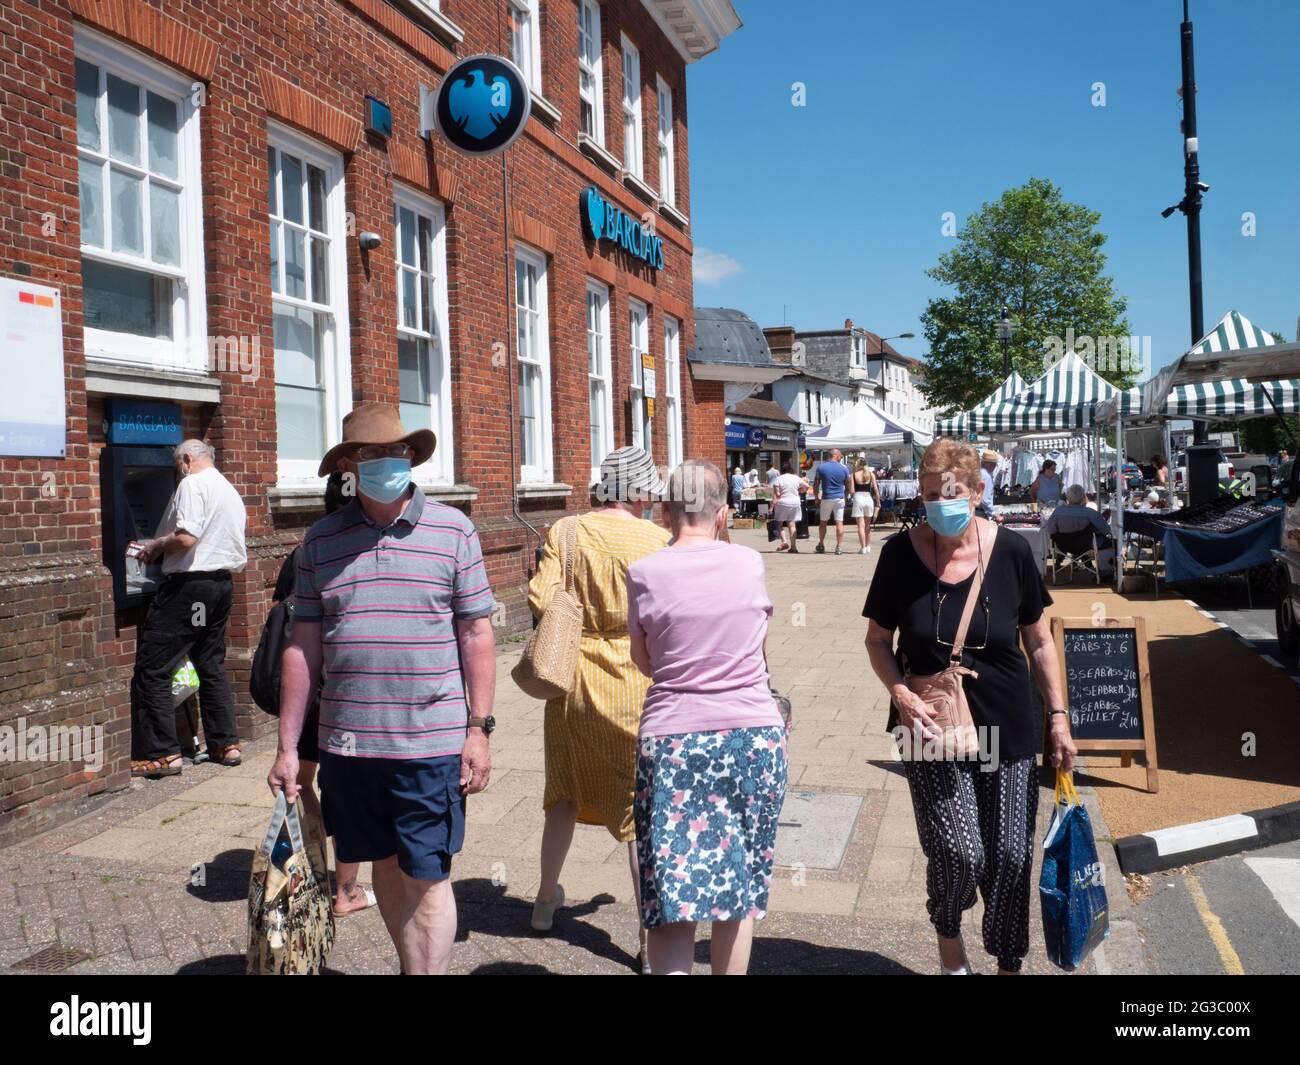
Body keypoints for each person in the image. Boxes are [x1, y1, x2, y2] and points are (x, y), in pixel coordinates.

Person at [268, 403, 498, 976]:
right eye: (371, 454)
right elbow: (301, 649)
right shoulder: (319, 542)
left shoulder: (454, 530)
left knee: (428, 876)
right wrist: (288, 747)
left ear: (412, 456)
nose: (388, 462)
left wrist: (479, 729)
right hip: (349, 746)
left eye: (397, 452)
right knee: (385, 869)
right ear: (348, 464)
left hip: (432, 743)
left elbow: (476, 633)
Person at [862, 438, 1077, 975]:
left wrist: (1058, 717)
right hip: (928, 722)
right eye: (930, 494)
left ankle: (1008, 964)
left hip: (1007, 720)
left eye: (950, 493)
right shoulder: (898, 555)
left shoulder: (1011, 552)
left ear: (979, 492)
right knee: (960, 852)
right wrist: (899, 691)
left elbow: (1040, 640)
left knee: (1008, 857)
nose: (939, 504)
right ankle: (949, 938)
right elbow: (876, 642)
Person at [627, 459, 787, 975]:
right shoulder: (748, 563)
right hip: (753, 735)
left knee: (671, 897)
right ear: (722, 514)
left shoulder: (644, 572)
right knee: (737, 890)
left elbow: (643, 659)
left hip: (674, 738)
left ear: (666, 512)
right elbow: (758, 642)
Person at [527, 447, 671, 973]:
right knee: (638, 810)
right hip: (635, 677)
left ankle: (544, 902)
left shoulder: (565, 531)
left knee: (563, 791)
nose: (655, 498)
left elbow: (543, 599)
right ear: (636, 492)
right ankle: (646, 935)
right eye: (650, 489)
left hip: (571, 678)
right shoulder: (660, 542)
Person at [266, 471, 373, 918]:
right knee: (346, 794)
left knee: (302, 783)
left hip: (306, 691)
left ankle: (308, 873)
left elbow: (282, 616)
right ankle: (344, 891)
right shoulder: (368, 549)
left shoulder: (305, 550)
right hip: (344, 693)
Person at [129, 440, 248, 779]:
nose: (176, 470)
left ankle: (163, 755)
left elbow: (186, 538)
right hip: (220, 588)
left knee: (154, 667)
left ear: (186, 459)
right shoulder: (229, 490)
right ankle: (226, 744)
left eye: (176, 464)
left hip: (191, 591)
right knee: (209, 661)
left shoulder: (193, 484)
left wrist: (156, 545)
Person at [813, 447, 851, 555]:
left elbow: (816, 485)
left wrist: (816, 497)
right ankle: (839, 547)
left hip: (826, 498)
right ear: (835, 455)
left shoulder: (821, 467)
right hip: (839, 498)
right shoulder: (844, 469)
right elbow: (848, 485)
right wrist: (845, 496)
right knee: (839, 522)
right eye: (840, 456)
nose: (841, 458)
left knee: (823, 523)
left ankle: (821, 544)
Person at [773, 461, 808, 552]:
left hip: (783, 502)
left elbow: (777, 494)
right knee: (792, 525)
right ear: (790, 469)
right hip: (795, 502)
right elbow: (807, 486)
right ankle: (793, 547)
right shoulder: (796, 478)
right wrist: (801, 491)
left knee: (779, 524)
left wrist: (772, 505)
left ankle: (784, 542)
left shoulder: (778, 479)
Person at [851, 457, 881, 554]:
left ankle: (863, 547)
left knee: (860, 526)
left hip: (858, 497)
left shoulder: (854, 475)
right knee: (868, 526)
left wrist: (853, 496)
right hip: (868, 498)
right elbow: (876, 489)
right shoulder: (871, 474)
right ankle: (868, 546)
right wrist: (878, 501)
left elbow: (852, 491)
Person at [977, 449, 998, 519]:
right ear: (991, 464)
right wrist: (993, 514)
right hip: (981, 512)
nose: (995, 466)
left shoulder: (979, 472)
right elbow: (985, 499)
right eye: (994, 464)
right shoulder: (986, 476)